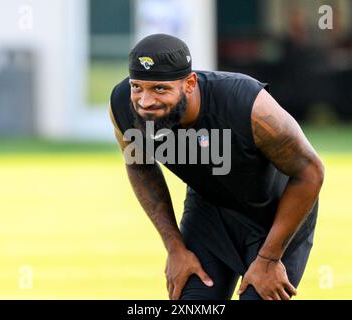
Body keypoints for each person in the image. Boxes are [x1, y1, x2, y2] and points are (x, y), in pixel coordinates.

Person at [108, 34, 324, 300]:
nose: (145, 102)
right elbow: (140, 167)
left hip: (273, 216)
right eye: (137, 87)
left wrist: (269, 258)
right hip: (208, 213)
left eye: (160, 89)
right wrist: (175, 248)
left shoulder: (247, 105)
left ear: (189, 83)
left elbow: (311, 172)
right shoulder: (123, 107)